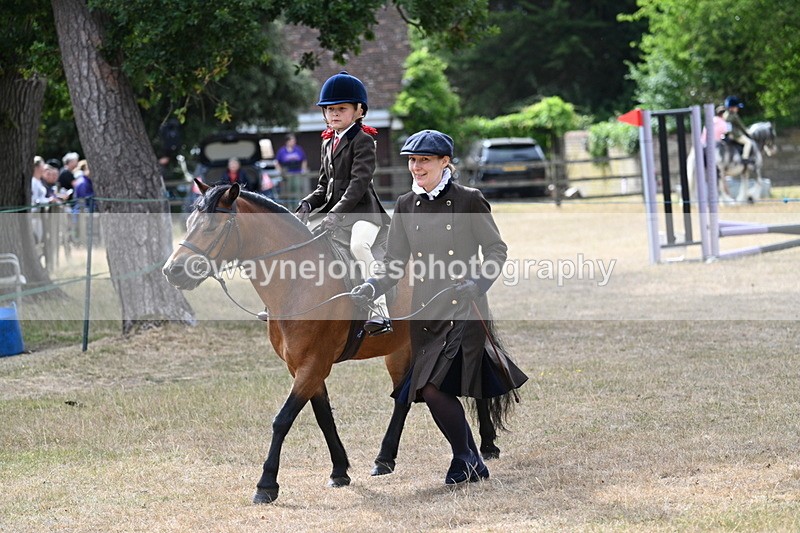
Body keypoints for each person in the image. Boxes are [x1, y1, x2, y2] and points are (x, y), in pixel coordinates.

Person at [350, 130, 528, 485]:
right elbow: (395, 261)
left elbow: (496, 251)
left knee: (431, 386)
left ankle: (465, 457)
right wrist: (372, 284)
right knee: (430, 387)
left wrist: (477, 283)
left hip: (465, 306)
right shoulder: (404, 204)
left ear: (445, 162)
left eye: (424, 160)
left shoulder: (469, 200)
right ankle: (471, 459)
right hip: (426, 311)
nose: (416, 167)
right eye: (412, 161)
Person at [293, 70, 391, 334]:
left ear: (359, 111)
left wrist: (335, 214)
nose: (334, 114)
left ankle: (379, 310)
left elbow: (358, 185)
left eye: (341, 108)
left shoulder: (364, 140)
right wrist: (306, 204)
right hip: (334, 214)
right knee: (298, 244)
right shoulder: (327, 143)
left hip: (363, 214)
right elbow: (324, 186)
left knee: (359, 246)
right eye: (329, 109)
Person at [723, 96, 754, 164]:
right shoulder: (734, 116)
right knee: (748, 142)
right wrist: (747, 132)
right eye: (736, 107)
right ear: (731, 107)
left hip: (728, 135)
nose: (737, 109)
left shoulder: (725, 115)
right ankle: (745, 158)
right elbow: (741, 126)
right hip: (736, 135)